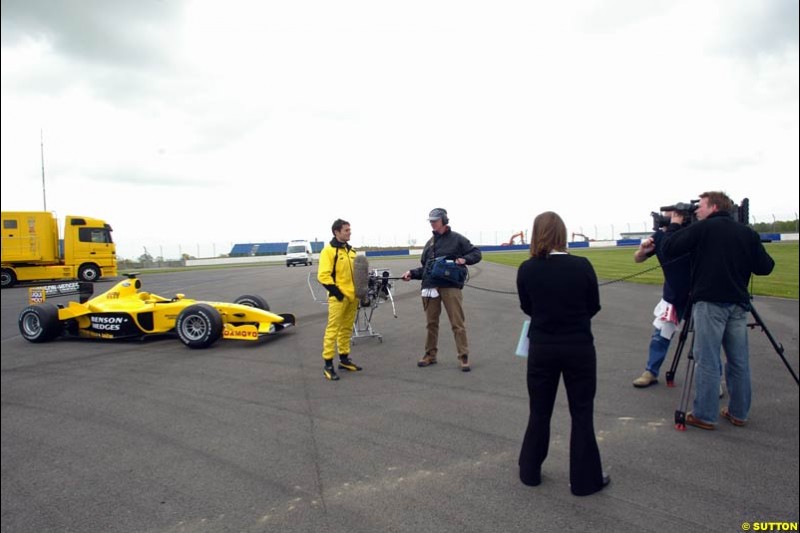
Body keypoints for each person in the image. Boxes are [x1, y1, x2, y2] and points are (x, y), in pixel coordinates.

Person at [661, 191, 774, 430]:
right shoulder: (746, 232)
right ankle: (739, 413)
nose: (696, 211)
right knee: (739, 361)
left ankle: (704, 414)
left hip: (710, 303)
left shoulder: (704, 229)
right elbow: (766, 267)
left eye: (700, 207)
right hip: (738, 304)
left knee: (708, 360)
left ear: (713, 208)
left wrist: (674, 224)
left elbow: (670, 248)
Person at [516, 211, 609, 496]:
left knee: (539, 411)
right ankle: (584, 481)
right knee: (582, 413)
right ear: (562, 234)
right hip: (578, 345)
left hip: (542, 346)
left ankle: (530, 471)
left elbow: (527, 306)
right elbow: (593, 305)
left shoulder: (527, 269)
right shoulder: (581, 266)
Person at [401, 208, 482, 371]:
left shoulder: (457, 239)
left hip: (450, 287)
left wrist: (464, 259)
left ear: (444, 220)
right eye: (430, 221)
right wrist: (412, 273)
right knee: (431, 323)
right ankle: (430, 355)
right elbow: (426, 268)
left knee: (457, 323)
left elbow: (476, 253)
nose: (432, 223)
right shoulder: (429, 243)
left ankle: (463, 355)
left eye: (435, 220)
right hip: (430, 287)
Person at [631, 211, 691, 388]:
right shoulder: (660, 236)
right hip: (672, 296)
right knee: (660, 336)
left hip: (698, 295)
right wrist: (643, 251)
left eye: (671, 215)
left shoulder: (693, 232)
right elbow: (637, 258)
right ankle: (651, 371)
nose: (666, 218)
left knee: (704, 341)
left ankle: (713, 379)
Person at [317, 219, 363, 381]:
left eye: (350, 229)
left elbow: (358, 274)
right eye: (346, 230)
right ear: (337, 232)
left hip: (353, 297)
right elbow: (323, 275)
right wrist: (337, 294)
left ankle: (344, 359)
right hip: (338, 298)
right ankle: (328, 364)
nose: (350, 232)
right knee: (333, 330)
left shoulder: (352, 251)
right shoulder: (328, 251)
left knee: (347, 329)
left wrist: (360, 292)